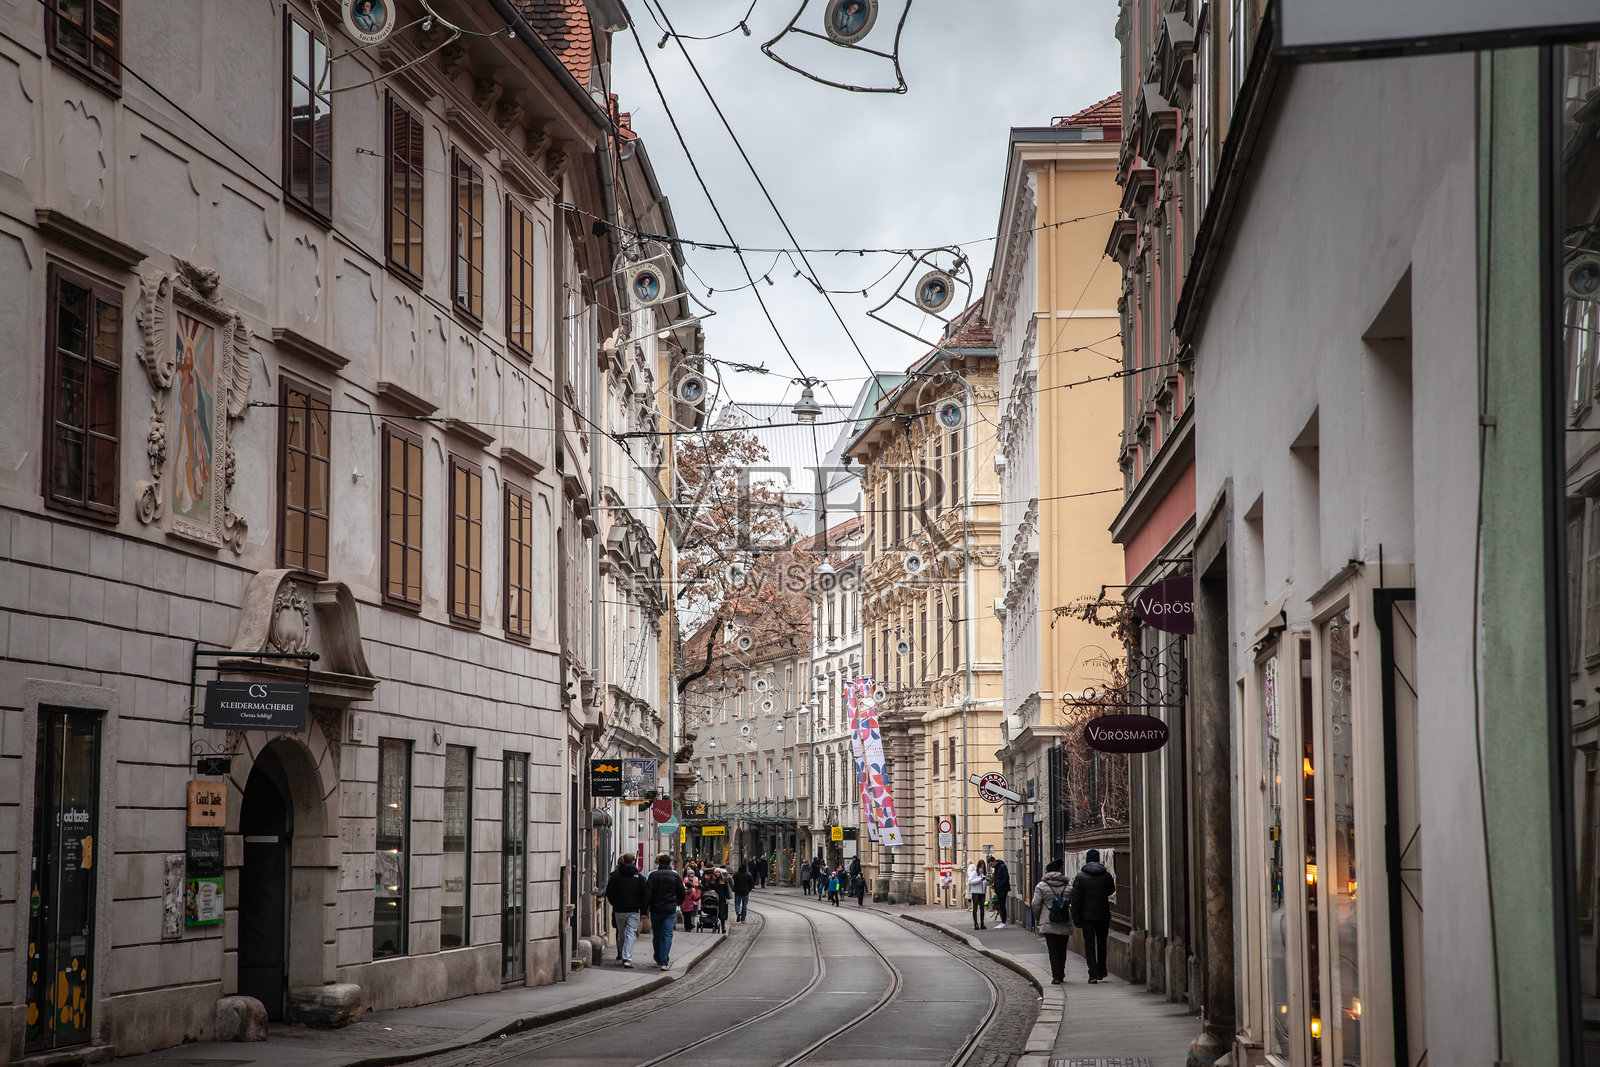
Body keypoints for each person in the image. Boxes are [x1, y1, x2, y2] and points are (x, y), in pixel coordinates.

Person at [1072, 849, 1117, 983]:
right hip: (1103, 915)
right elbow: (1111, 890)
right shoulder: (1106, 875)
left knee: (1089, 945)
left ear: (1086, 860)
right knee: (1102, 943)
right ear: (1098, 860)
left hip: (1087, 917)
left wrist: (1076, 918)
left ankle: (1092, 973)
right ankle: (1101, 970)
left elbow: (1076, 900)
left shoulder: (1080, 877)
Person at [1030, 858, 1074, 984]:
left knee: (1052, 949)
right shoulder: (1068, 885)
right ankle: (1061, 972)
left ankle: (1055, 976)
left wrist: (1039, 918)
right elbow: (1073, 901)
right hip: (1064, 920)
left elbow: (1035, 904)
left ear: (1047, 872)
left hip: (1048, 921)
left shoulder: (1042, 886)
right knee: (1062, 948)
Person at [602, 853, 647, 968]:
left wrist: (614, 903)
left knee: (621, 933)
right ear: (633, 861)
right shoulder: (639, 878)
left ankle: (622, 954)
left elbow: (609, 892)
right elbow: (644, 895)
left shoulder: (615, 875)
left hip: (619, 909)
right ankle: (627, 957)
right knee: (630, 933)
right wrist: (643, 910)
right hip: (633, 910)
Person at [645, 852, 686, 971]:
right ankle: (664, 961)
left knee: (657, 934)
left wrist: (644, 910)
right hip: (669, 910)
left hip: (656, 909)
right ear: (670, 863)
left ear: (659, 863)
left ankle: (658, 956)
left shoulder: (653, 875)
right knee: (667, 934)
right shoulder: (675, 876)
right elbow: (681, 892)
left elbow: (648, 893)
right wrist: (677, 902)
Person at [988, 858, 1012, 929]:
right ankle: (1003, 921)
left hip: (1002, 889)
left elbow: (1006, 878)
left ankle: (1003, 921)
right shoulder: (997, 867)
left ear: (994, 862)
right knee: (1001, 905)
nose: (991, 866)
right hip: (1000, 889)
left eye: (991, 864)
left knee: (1002, 905)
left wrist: (998, 885)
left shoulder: (1002, 867)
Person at [967, 860, 990, 930]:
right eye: (981, 866)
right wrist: (980, 879)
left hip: (982, 893)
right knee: (975, 907)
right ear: (978, 865)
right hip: (976, 892)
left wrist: (988, 881)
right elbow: (970, 881)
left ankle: (982, 923)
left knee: (982, 908)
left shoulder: (984, 873)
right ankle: (976, 923)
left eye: (983, 866)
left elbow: (985, 884)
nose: (982, 867)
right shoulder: (974, 873)